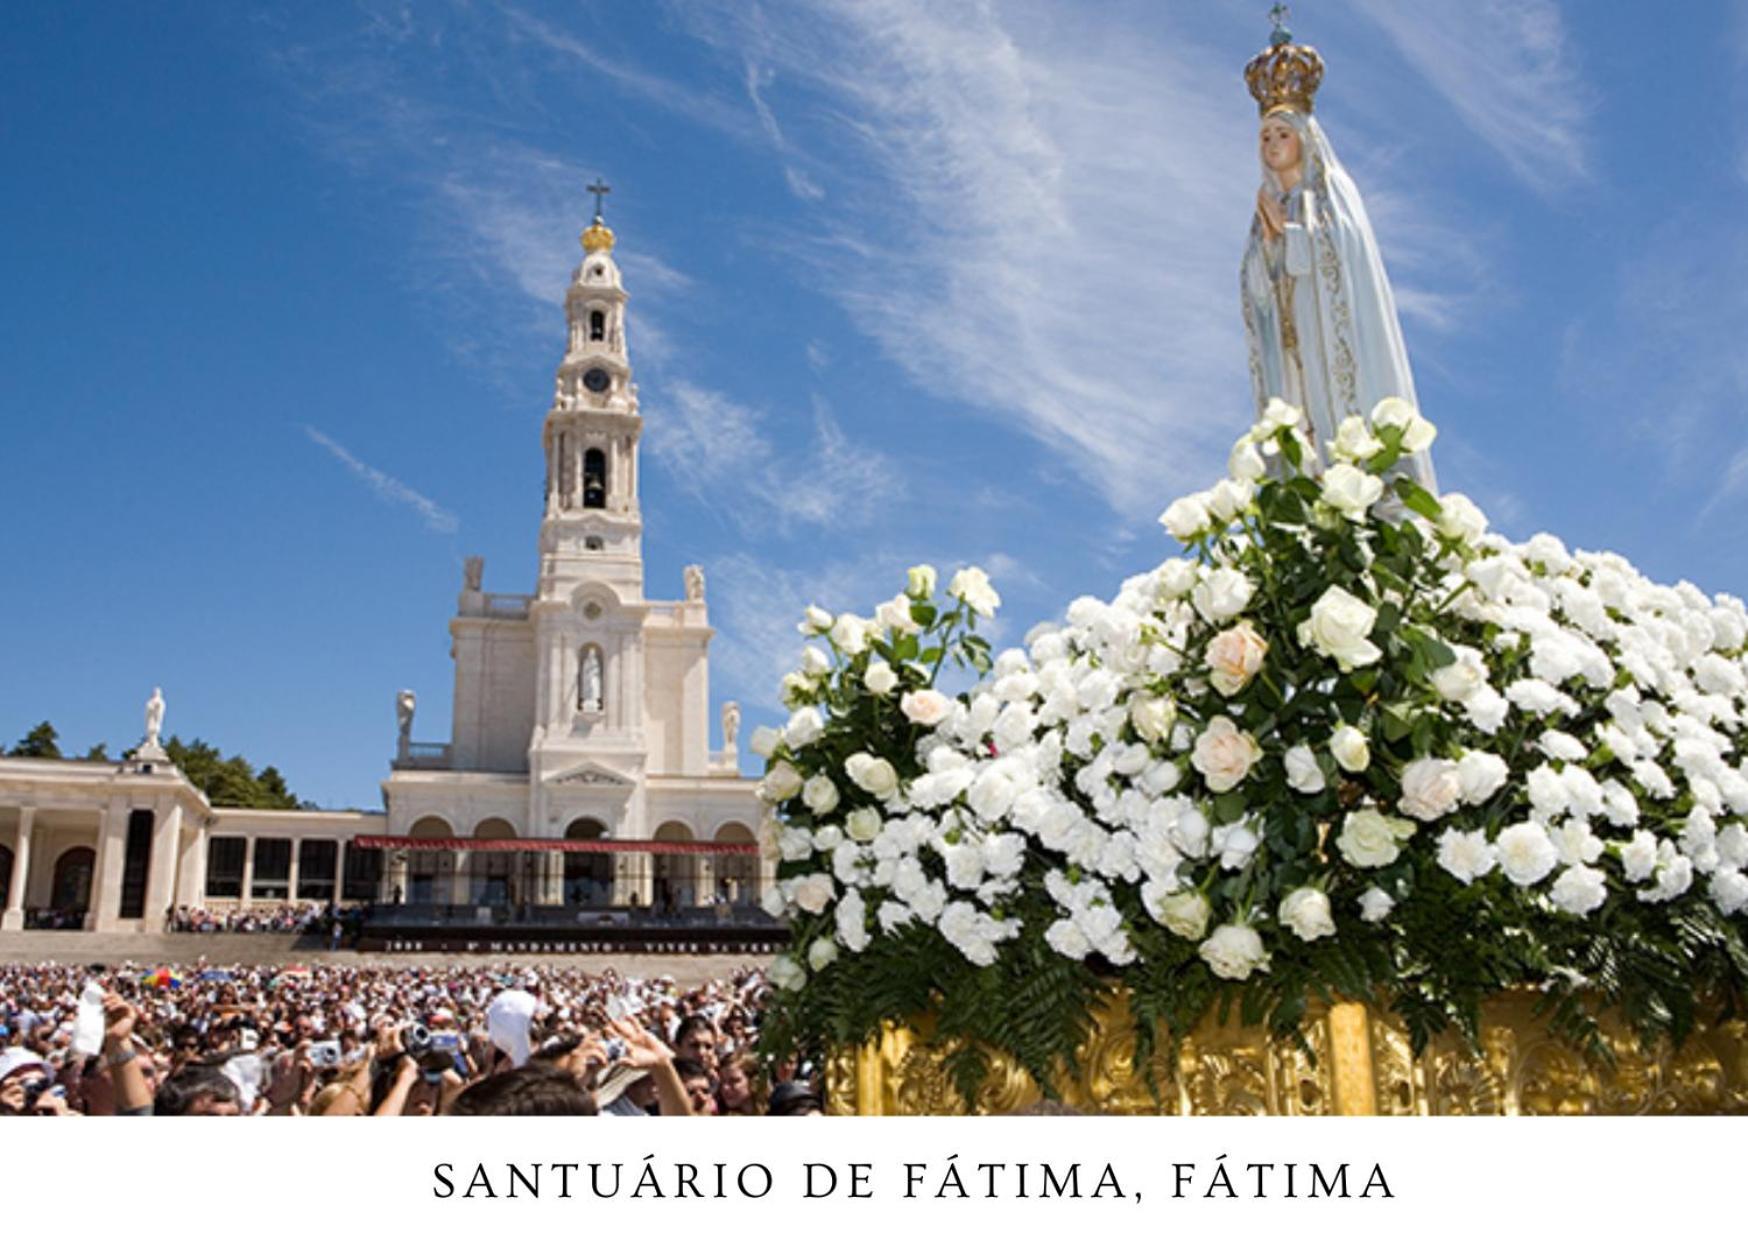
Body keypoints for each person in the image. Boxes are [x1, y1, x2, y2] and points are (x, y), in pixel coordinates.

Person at [1239, 22, 1435, 490]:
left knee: (1341, 437)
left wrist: (1290, 238)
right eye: (1265, 136)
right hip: (1291, 353)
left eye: (1281, 135)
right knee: (1298, 436)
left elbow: (1343, 255)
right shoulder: (1266, 207)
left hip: (1332, 344)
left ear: (1304, 138)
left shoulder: (1331, 192)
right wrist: (1268, 250)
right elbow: (1257, 294)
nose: (1271, 146)